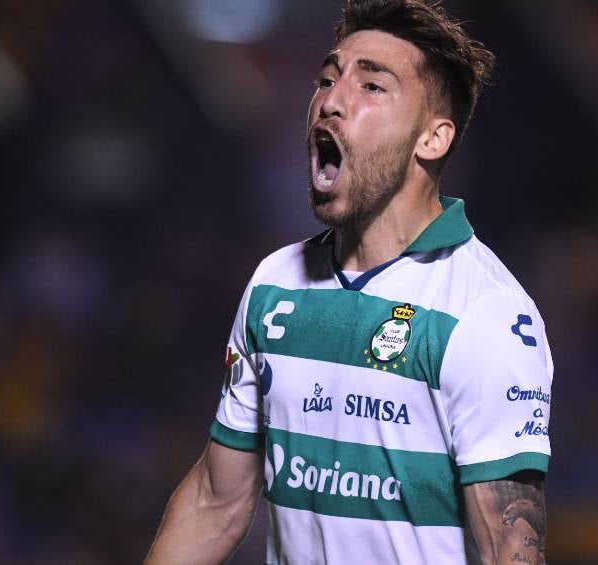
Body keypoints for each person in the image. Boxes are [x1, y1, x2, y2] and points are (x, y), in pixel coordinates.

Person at [144, 1, 553, 563]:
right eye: (328, 79)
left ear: (432, 139)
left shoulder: (485, 312)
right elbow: (216, 502)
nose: (330, 101)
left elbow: (510, 546)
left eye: (373, 87)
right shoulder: (275, 285)